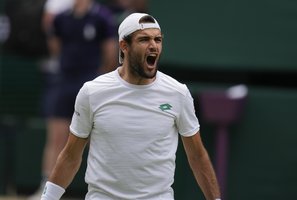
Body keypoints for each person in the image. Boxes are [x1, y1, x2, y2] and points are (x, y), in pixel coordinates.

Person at [41, 13, 221, 200]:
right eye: (144, 39)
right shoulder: (92, 92)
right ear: (124, 46)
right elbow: (71, 156)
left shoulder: (178, 93)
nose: (153, 46)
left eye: (158, 39)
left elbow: (198, 157)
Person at [29, 0, 118, 199]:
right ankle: (46, 188)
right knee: (56, 138)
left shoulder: (102, 17)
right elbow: (55, 47)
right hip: (64, 83)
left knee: (100, 139)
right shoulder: (61, 18)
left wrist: (100, 80)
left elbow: (110, 52)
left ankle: (106, 190)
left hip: (91, 85)